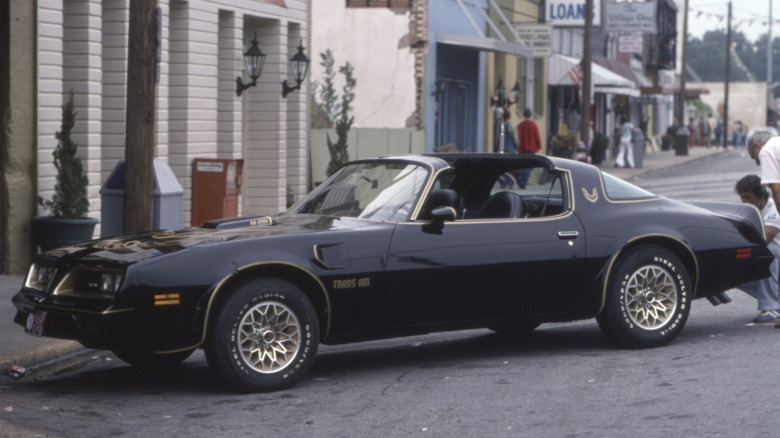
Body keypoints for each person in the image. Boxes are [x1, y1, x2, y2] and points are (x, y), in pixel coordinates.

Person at [734, 174, 780, 322]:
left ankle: (771, 307)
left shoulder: (774, 209)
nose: (744, 201)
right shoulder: (747, 211)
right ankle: (775, 300)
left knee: (766, 252)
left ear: (760, 196)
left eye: (747, 197)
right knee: (734, 271)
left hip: (776, 258)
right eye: (742, 197)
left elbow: (766, 237)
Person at [747, 130, 780, 215]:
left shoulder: (766, 150)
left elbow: (777, 191)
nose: (758, 164)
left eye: (756, 158)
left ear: (757, 145)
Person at [515, 107, 541, 188]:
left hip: (522, 149)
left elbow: (517, 137)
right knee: (530, 165)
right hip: (531, 148)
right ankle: (524, 181)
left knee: (525, 165)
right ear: (531, 114)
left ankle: (523, 179)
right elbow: (537, 136)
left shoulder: (520, 125)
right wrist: (538, 145)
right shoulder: (533, 125)